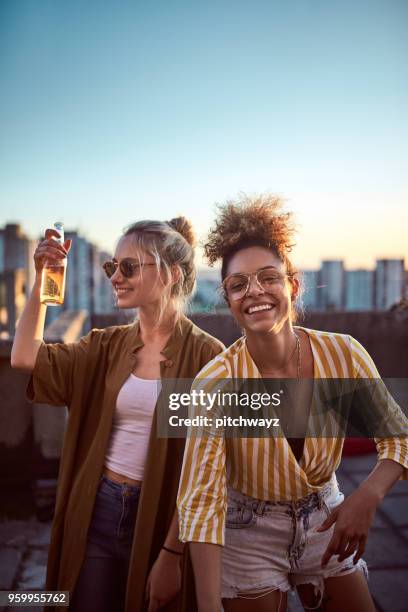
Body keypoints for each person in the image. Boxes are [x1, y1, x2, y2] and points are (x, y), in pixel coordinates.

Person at [177, 195, 408, 612]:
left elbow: (399, 438)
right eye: (238, 284)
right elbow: (202, 500)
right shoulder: (214, 384)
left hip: (326, 512)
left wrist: (366, 497)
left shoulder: (344, 355)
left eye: (269, 277)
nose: (255, 292)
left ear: (292, 285)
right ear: (228, 299)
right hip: (246, 528)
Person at [11, 217, 224, 612]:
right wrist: (43, 283)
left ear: (170, 274)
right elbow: (25, 357)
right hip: (98, 508)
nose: (115, 277)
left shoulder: (206, 357)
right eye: (112, 267)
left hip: (161, 512)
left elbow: (207, 470)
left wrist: (173, 554)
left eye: (128, 267)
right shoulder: (105, 346)